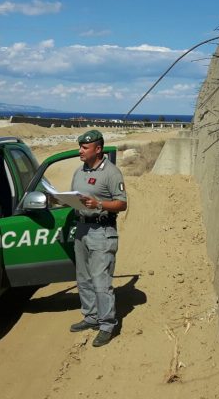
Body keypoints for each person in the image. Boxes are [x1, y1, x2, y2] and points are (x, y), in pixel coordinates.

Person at [69, 130, 127, 347]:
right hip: (82, 230)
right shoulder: (79, 171)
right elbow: (74, 197)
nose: (80, 151)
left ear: (98, 149)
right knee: (83, 278)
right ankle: (91, 317)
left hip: (102, 232)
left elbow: (122, 203)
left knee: (101, 281)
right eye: (80, 147)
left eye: (84, 148)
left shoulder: (111, 173)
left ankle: (106, 325)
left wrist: (99, 204)